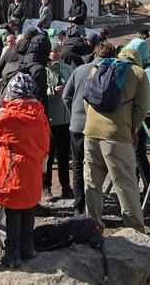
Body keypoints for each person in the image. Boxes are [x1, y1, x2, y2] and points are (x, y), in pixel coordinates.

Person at [82, 39, 150, 232]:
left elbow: (87, 101)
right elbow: (142, 109)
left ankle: (93, 228)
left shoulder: (98, 68)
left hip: (91, 131)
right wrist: (131, 129)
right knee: (125, 184)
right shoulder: (139, 73)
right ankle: (135, 231)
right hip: (117, 135)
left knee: (92, 183)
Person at [0, 73, 49, 269]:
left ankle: (12, 255)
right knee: (29, 208)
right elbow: (46, 142)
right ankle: (28, 248)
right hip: (33, 171)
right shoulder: (40, 116)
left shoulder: (7, 117)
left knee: (13, 213)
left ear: (11, 93)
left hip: (12, 172)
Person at [63, 41, 112, 214]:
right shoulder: (111, 71)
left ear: (95, 54)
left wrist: (74, 114)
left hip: (77, 125)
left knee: (78, 166)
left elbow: (66, 96)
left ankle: (79, 206)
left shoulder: (79, 70)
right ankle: (95, 206)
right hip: (99, 127)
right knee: (97, 167)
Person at [43, 46, 75, 201]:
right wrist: (53, 91)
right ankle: (46, 187)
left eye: (58, 51)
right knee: (48, 157)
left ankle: (66, 186)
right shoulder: (44, 70)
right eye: (53, 51)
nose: (56, 53)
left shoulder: (68, 69)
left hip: (66, 119)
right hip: (51, 120)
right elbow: (40, 92)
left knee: (64, 156)